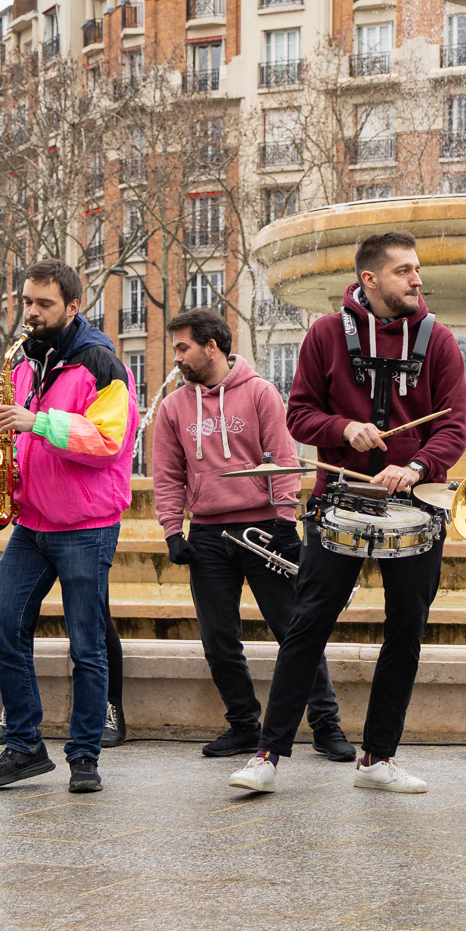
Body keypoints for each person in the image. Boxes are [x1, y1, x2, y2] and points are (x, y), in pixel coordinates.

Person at [227, 232, 466, 795]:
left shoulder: (440, 342)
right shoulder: (324, 335)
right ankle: (268, 754)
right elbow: (299, 416)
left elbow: (454, 427)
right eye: (404, 271)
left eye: (417, 269)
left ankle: (378, 759)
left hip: (413, 502)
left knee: (406, 633)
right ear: (370, 280)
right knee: (307, 626)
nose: (417, 279)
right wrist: (344, 430)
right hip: (340, 498)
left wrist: (418, 468)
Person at [152, 308, 352, 762]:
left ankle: (326, 725)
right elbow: (166, 474)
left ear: (211, 347)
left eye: (183, 347)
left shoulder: (260, 392)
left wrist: (285, 520)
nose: (177, 357)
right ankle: (243, 725)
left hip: (264, 528)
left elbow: (284, 458)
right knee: (218, 639)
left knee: (296, 634)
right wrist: (171, 531)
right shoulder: (171, 407)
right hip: (206, 535)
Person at [0, 261, 139, 795]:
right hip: (32, 522)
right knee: (3, 629)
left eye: (43, 304)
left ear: (73, 305)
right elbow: (20, 436)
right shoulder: (24, 361)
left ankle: (85, 756)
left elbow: (108, 441)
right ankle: (24, 746)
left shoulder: (102, 362)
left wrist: (36, 423)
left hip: (86, 525)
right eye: (27, 302)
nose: (31, 312)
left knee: (86, 646)